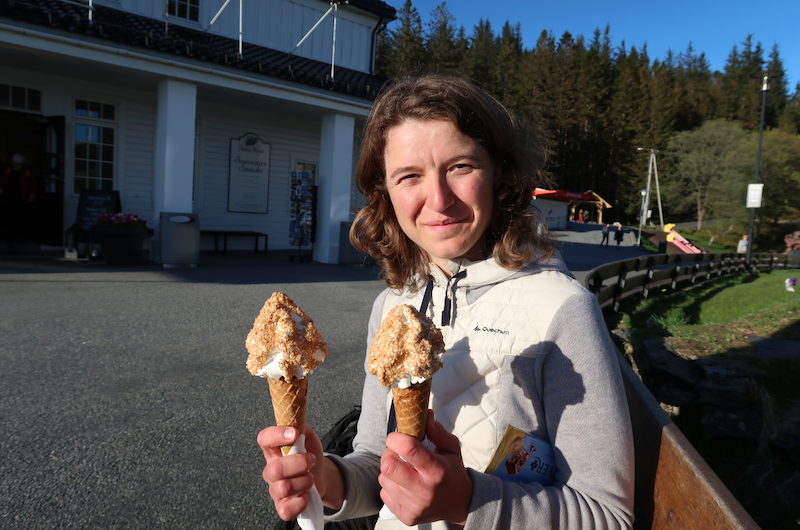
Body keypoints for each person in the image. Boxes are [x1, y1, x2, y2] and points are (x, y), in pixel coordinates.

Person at [257, 73, 634, 529]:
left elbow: (607, 516)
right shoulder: (393, 307)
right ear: (385, 193)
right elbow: (378, 460)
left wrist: (467, 501)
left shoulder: (562, 310)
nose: (438, 198)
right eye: (409, 176)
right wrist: (326, 478)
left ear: (500, 173)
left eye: (460, 167)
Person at [0, 153, 37, 247]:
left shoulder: (26, 172)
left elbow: (33, 184)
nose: (17, 166)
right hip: (8, 198)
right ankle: (9, 237)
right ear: (12, 163)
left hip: (21, 198)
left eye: (19, 164)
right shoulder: (7, 171)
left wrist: (32, 194)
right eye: (16, 164)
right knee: (8, 217)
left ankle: (18, 237)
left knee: (19, 217)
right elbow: (1, 182)